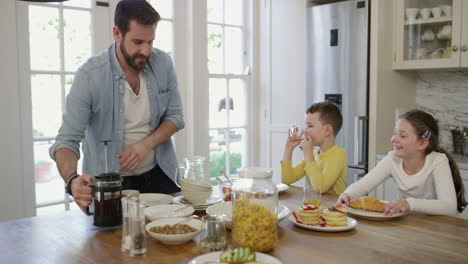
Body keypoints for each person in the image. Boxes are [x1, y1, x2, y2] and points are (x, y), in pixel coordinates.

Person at [49, 0, 184, 214]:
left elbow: (176, 117)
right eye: (138, 42)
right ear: (117, 33)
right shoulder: (89, 76)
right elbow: (66, 141)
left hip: (160, 175)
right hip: (109, 184)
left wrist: (144, 145)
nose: (146, 51)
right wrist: (72, 180)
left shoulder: (163, 63)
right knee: (110, 247)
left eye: (150, 42)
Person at [336, 109, 467, 216]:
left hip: (438, 230)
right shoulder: (392, 159)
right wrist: (347, 194)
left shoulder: (437, 162)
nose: (394, 139)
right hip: (408, 224)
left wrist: (408, 203)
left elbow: (449, 206)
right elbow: (363, 185)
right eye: (395, 133)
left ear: (422, 143)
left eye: (402, 135)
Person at [281, 101, 347, 195]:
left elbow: (320, 187)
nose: (304, 130)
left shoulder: (339, 155)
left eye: (310, 126)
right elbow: (286, 179)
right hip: (316, 207)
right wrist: (289, 148)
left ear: (327, 130)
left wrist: (308, 153)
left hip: (333, 208)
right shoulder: (314, 155)